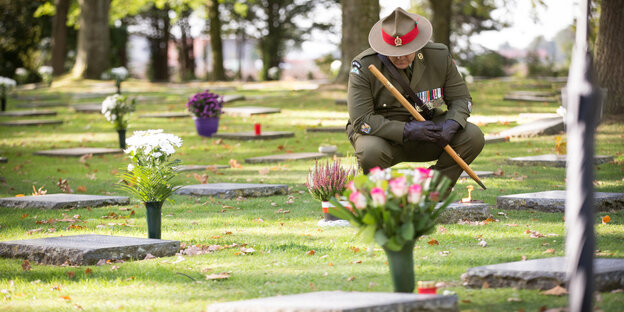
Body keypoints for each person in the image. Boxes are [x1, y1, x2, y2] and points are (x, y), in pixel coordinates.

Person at [346, 7, 484, 190]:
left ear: (418, 43)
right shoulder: (364, 65)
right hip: (384, 137)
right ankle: (386, 197)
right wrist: (406, 130)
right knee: (370, 152)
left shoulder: (439, 55)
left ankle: (433, 189)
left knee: (472, 136)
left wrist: (451, 125)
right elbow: (361, 120)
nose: (401, 57)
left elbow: (461, 99)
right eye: (394, 52)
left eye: (407, 50)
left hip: (427, 132)